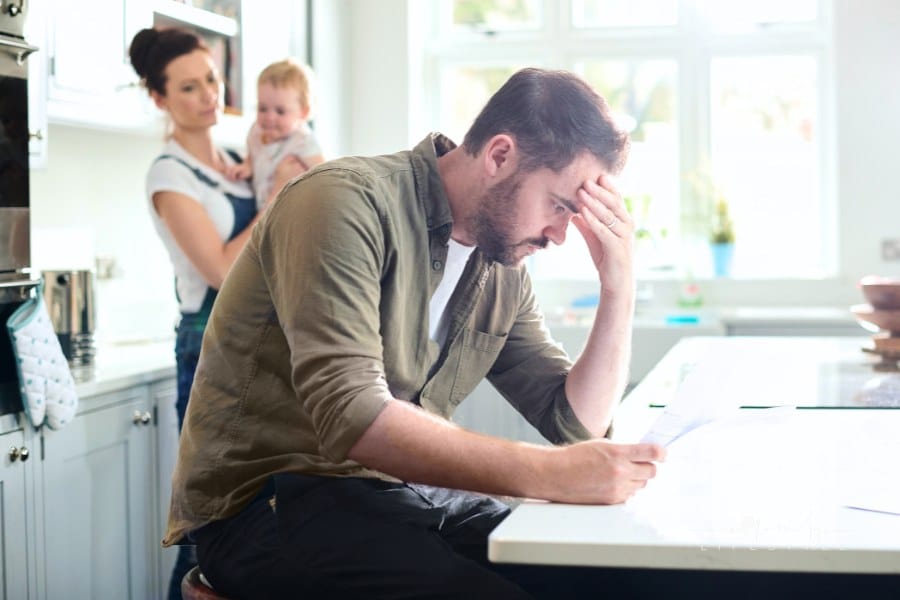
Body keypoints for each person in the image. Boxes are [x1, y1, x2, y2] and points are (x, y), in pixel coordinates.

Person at [163, 67, 666, 599]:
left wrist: (619, 285)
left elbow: (576, 425)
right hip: (268, 501)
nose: (561, 235)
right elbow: (351, 413)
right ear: (499, 155)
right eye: (560, 205)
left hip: (397, 498)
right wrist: (550, 473)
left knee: (604, 578)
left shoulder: (502, 269)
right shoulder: (342, 202)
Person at [128, 27, 304, 600]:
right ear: (159, 98)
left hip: (262, 345)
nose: (208, 95)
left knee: (262, 516)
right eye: (188, 87)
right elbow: (225, 271)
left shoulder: (236, 159)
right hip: (206, 348)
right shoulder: (168, 175)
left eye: (210, 78)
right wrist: (277, 199)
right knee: (209, 523)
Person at [226, 58, 325, 209]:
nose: (269, 117)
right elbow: (253, 156)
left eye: (280, 111)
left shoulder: (303, 142)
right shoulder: (256, 131)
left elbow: (324, 174)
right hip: (263, 209)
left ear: (303, 113)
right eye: (263, 108)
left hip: (292, 211)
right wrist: (247, 166)